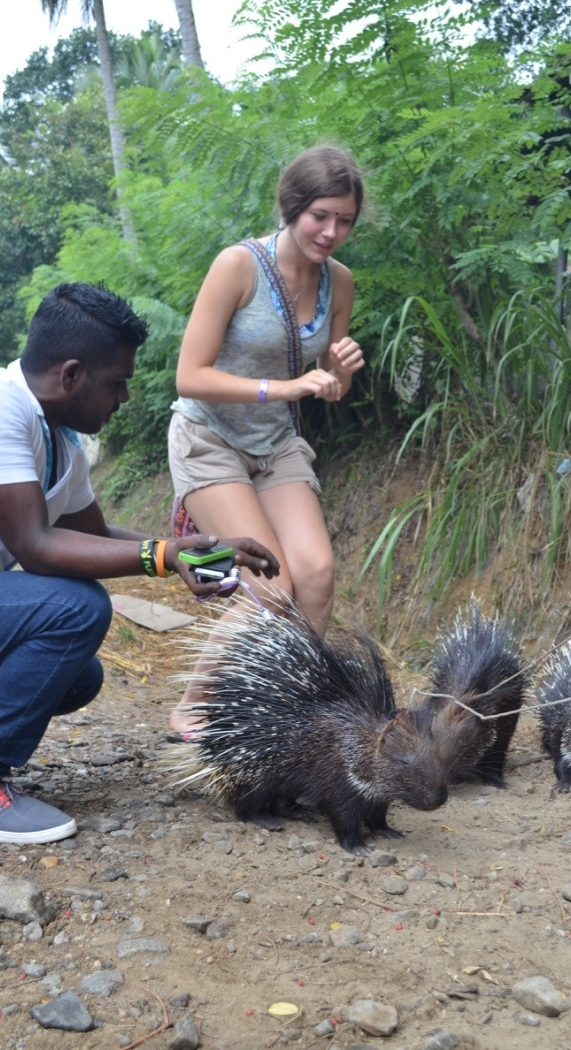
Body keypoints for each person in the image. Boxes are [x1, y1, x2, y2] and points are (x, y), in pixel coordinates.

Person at [0, 282, 279, 845]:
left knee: (76, 677)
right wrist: (162, 557)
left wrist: (205, 550)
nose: (125, 397)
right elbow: (38, 546)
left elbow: (91, 534)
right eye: (118, 382)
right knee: (76, 608)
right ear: (72, 375)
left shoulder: (57, 438)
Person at [167, 144, 365, 737]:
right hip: (210, 437)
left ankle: (278, 706)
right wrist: (281, 388)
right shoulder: (239, 266)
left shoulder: (340, 283)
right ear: (292, 207)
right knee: (272, 591)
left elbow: (327, 385)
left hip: (275, 445)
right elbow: (189, 375)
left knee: (317, 573)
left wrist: (343, 373)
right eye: (320, 216)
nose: (331, 232)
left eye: (345, 220)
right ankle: (193, 708)